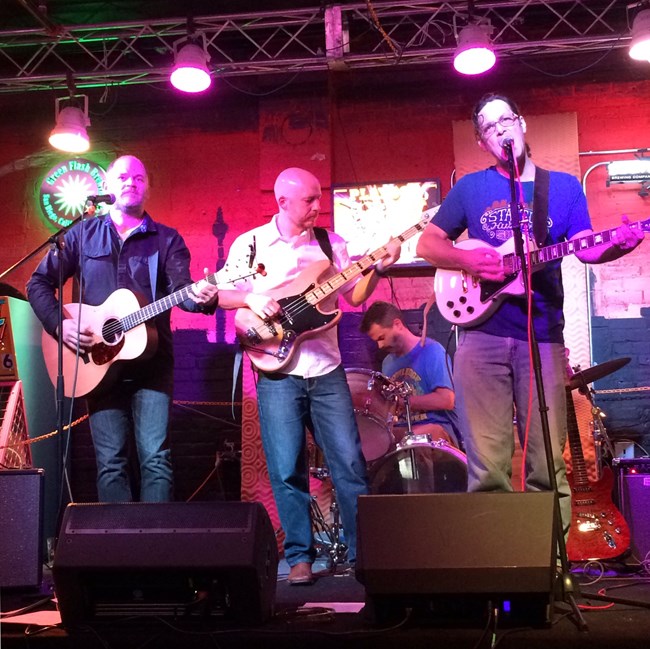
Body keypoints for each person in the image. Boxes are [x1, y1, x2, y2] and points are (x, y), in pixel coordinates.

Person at [415, 93, 644, 536]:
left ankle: (550, 570)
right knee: (487, 469)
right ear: (483, 141)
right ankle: (497, 567)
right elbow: (428, 245)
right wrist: (468, 262)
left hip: (542, 337)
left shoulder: (561, 188)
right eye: (489, 126)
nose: (501, 129)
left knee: (546, 464)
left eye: (507, 119)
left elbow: (587, 246)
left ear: (523, 125)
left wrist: (619, 243)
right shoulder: (471, 188)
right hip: (480, 338)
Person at [218, 167, 400, 585]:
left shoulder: (330, 244)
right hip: (277, 370)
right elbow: (222, 295)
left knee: (350, 464)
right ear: (282, 202)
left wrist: (377, 267)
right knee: (286, 469)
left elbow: (352, 295)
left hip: (326, 368)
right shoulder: (251, 244)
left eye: (319, 198)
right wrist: (252, 298)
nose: (318, 207)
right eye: (309, 200)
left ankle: (362, 555)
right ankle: (300, 556)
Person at [27, 155, 219, 503]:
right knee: (110, 462)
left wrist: (203, 297)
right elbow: (37, 284)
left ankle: (155, 550)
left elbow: (183, 293)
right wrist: (61, 326)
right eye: (123, 176)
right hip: (94, 362)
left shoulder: (167, 239)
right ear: (106, 187)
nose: (131, 182)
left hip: (152, 364)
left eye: (139, 178)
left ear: (148, 187)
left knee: (156, 459)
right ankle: (117, 551)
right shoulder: (80, 234)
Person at [359, 300, 460, 448]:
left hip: (436, 429)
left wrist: (402, 402)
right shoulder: (387, 363)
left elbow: (447, 400)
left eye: (381, 338)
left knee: (416, 441)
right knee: (370, 443)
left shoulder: (432, 351)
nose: (379, 346)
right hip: (404, 431)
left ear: (398, 324)